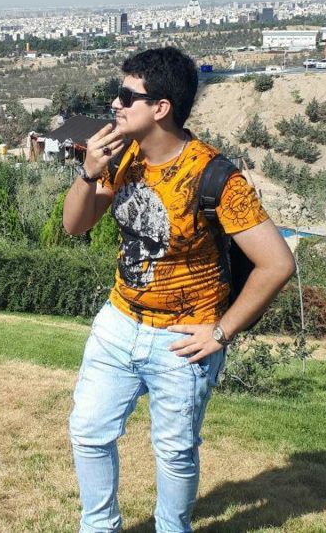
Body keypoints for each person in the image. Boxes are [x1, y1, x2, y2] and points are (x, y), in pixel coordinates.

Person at [64, 47, 295, 533]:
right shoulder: (122, 156)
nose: (115, 104)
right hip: (119, 321)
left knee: (174, 451)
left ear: (161, 108)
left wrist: (221, 332)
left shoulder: (216, 178)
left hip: (183, 341)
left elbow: (276, 264)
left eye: (127, 95)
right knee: (88, 432)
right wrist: (88, 173)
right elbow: (75, 225)